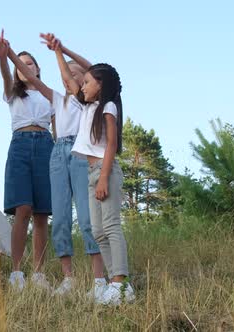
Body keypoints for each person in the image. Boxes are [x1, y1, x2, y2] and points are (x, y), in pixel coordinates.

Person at [37, 33, 107, 298]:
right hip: (58, 153)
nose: (71, 77)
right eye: (70, 74)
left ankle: (99, 281)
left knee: (88, 218)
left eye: (78, 75)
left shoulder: (87, 101)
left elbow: (91, 69)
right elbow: (36, 80)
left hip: (81, 155)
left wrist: (61, 50)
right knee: (61, 217)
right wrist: (10, 56)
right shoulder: (60, 100)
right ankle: (68, 279)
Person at [71, 60, 136, 305]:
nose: (82, 85)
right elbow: (74, 77)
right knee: (97, 231)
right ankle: (114, 283)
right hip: (91, 173)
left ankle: (121, 283)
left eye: (87, 82)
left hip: (104, 170)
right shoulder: (90, 107)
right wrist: (61, 49)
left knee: (110, 226)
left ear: (100, 84)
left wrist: (104, 178)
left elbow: (111, 144)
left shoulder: (108, 106)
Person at [0, 34, 54, 291]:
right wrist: (4, 56)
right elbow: (7, 74)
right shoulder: (13, 93)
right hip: (20, 145)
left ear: (38, 69)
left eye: (30, 64)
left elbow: (60, 128)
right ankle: (17, 273)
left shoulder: (49, 96)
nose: (25, 67)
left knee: (42, 214)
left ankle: (38, 274)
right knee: (23, 209)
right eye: (22, 65)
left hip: (45, 145)